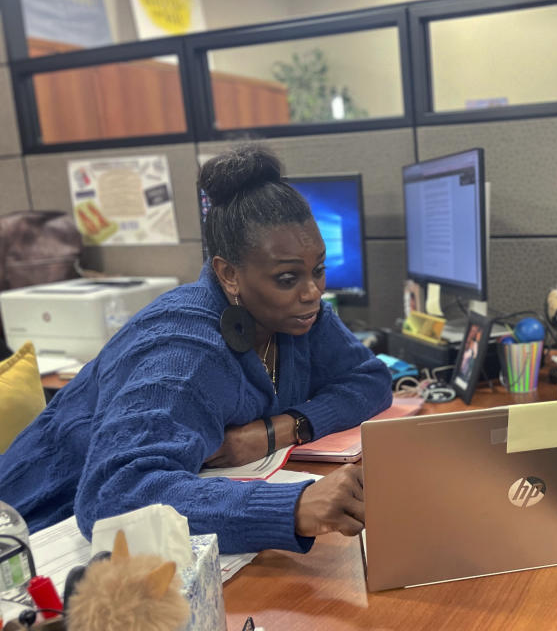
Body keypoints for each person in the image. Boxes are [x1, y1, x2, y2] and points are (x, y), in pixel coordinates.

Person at [0, 144, 393, 555]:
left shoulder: (299, 318)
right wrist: (292, 507)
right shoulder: (182, 349)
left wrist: (276, 431)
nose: (312, 292)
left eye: (318, 270)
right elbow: (114, 497)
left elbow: (371, 380)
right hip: (36, 537)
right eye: (287, 277)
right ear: (229, 274)